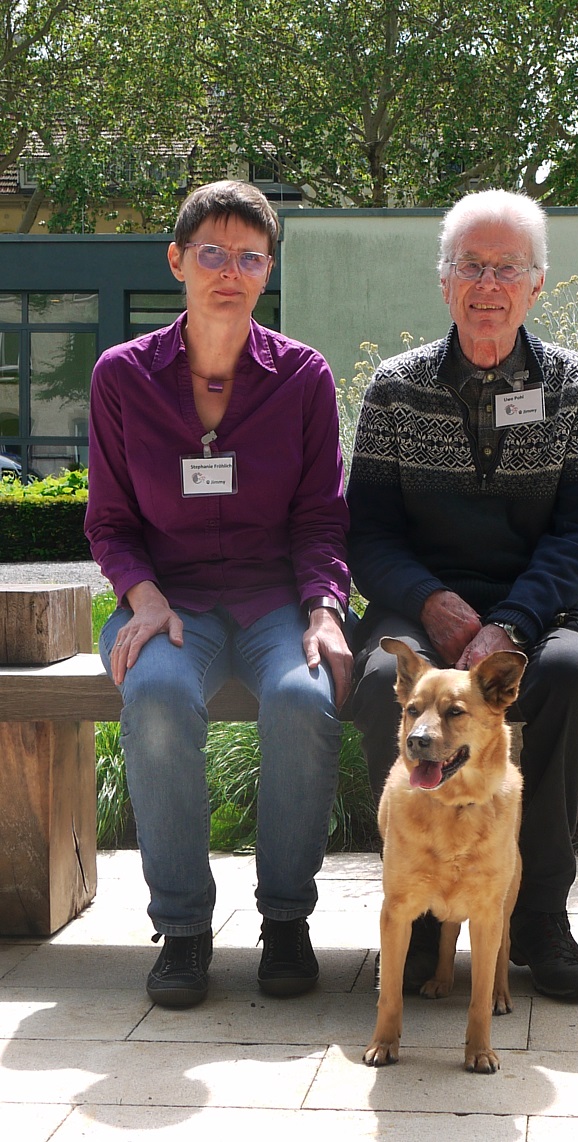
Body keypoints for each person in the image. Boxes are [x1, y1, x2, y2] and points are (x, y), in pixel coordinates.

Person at [344, 188, 578, 1000]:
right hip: (419, 605)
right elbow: (367, 536)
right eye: (472, 265)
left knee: (570, 676)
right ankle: (426, 921)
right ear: (444, 280)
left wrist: (509, 623)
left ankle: (537, 918)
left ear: (537, 284)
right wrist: (433, 606)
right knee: (371, 687)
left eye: (508, 267)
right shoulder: (393, 389)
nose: (488, 283)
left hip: (542, 609)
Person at [85, 180, 351, 1008]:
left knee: (305, 699)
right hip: (170, 604)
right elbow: (109, 521)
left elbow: (320, 516)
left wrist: (323, 609)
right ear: (177, 261)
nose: (228, 270)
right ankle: (185, 929)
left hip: (277, 602)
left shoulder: (302, 377)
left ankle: (285, 920)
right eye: (211, 252)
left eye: (248, 256)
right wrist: (143, 597)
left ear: (267, 271)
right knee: (158, 696)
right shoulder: (123, 377)